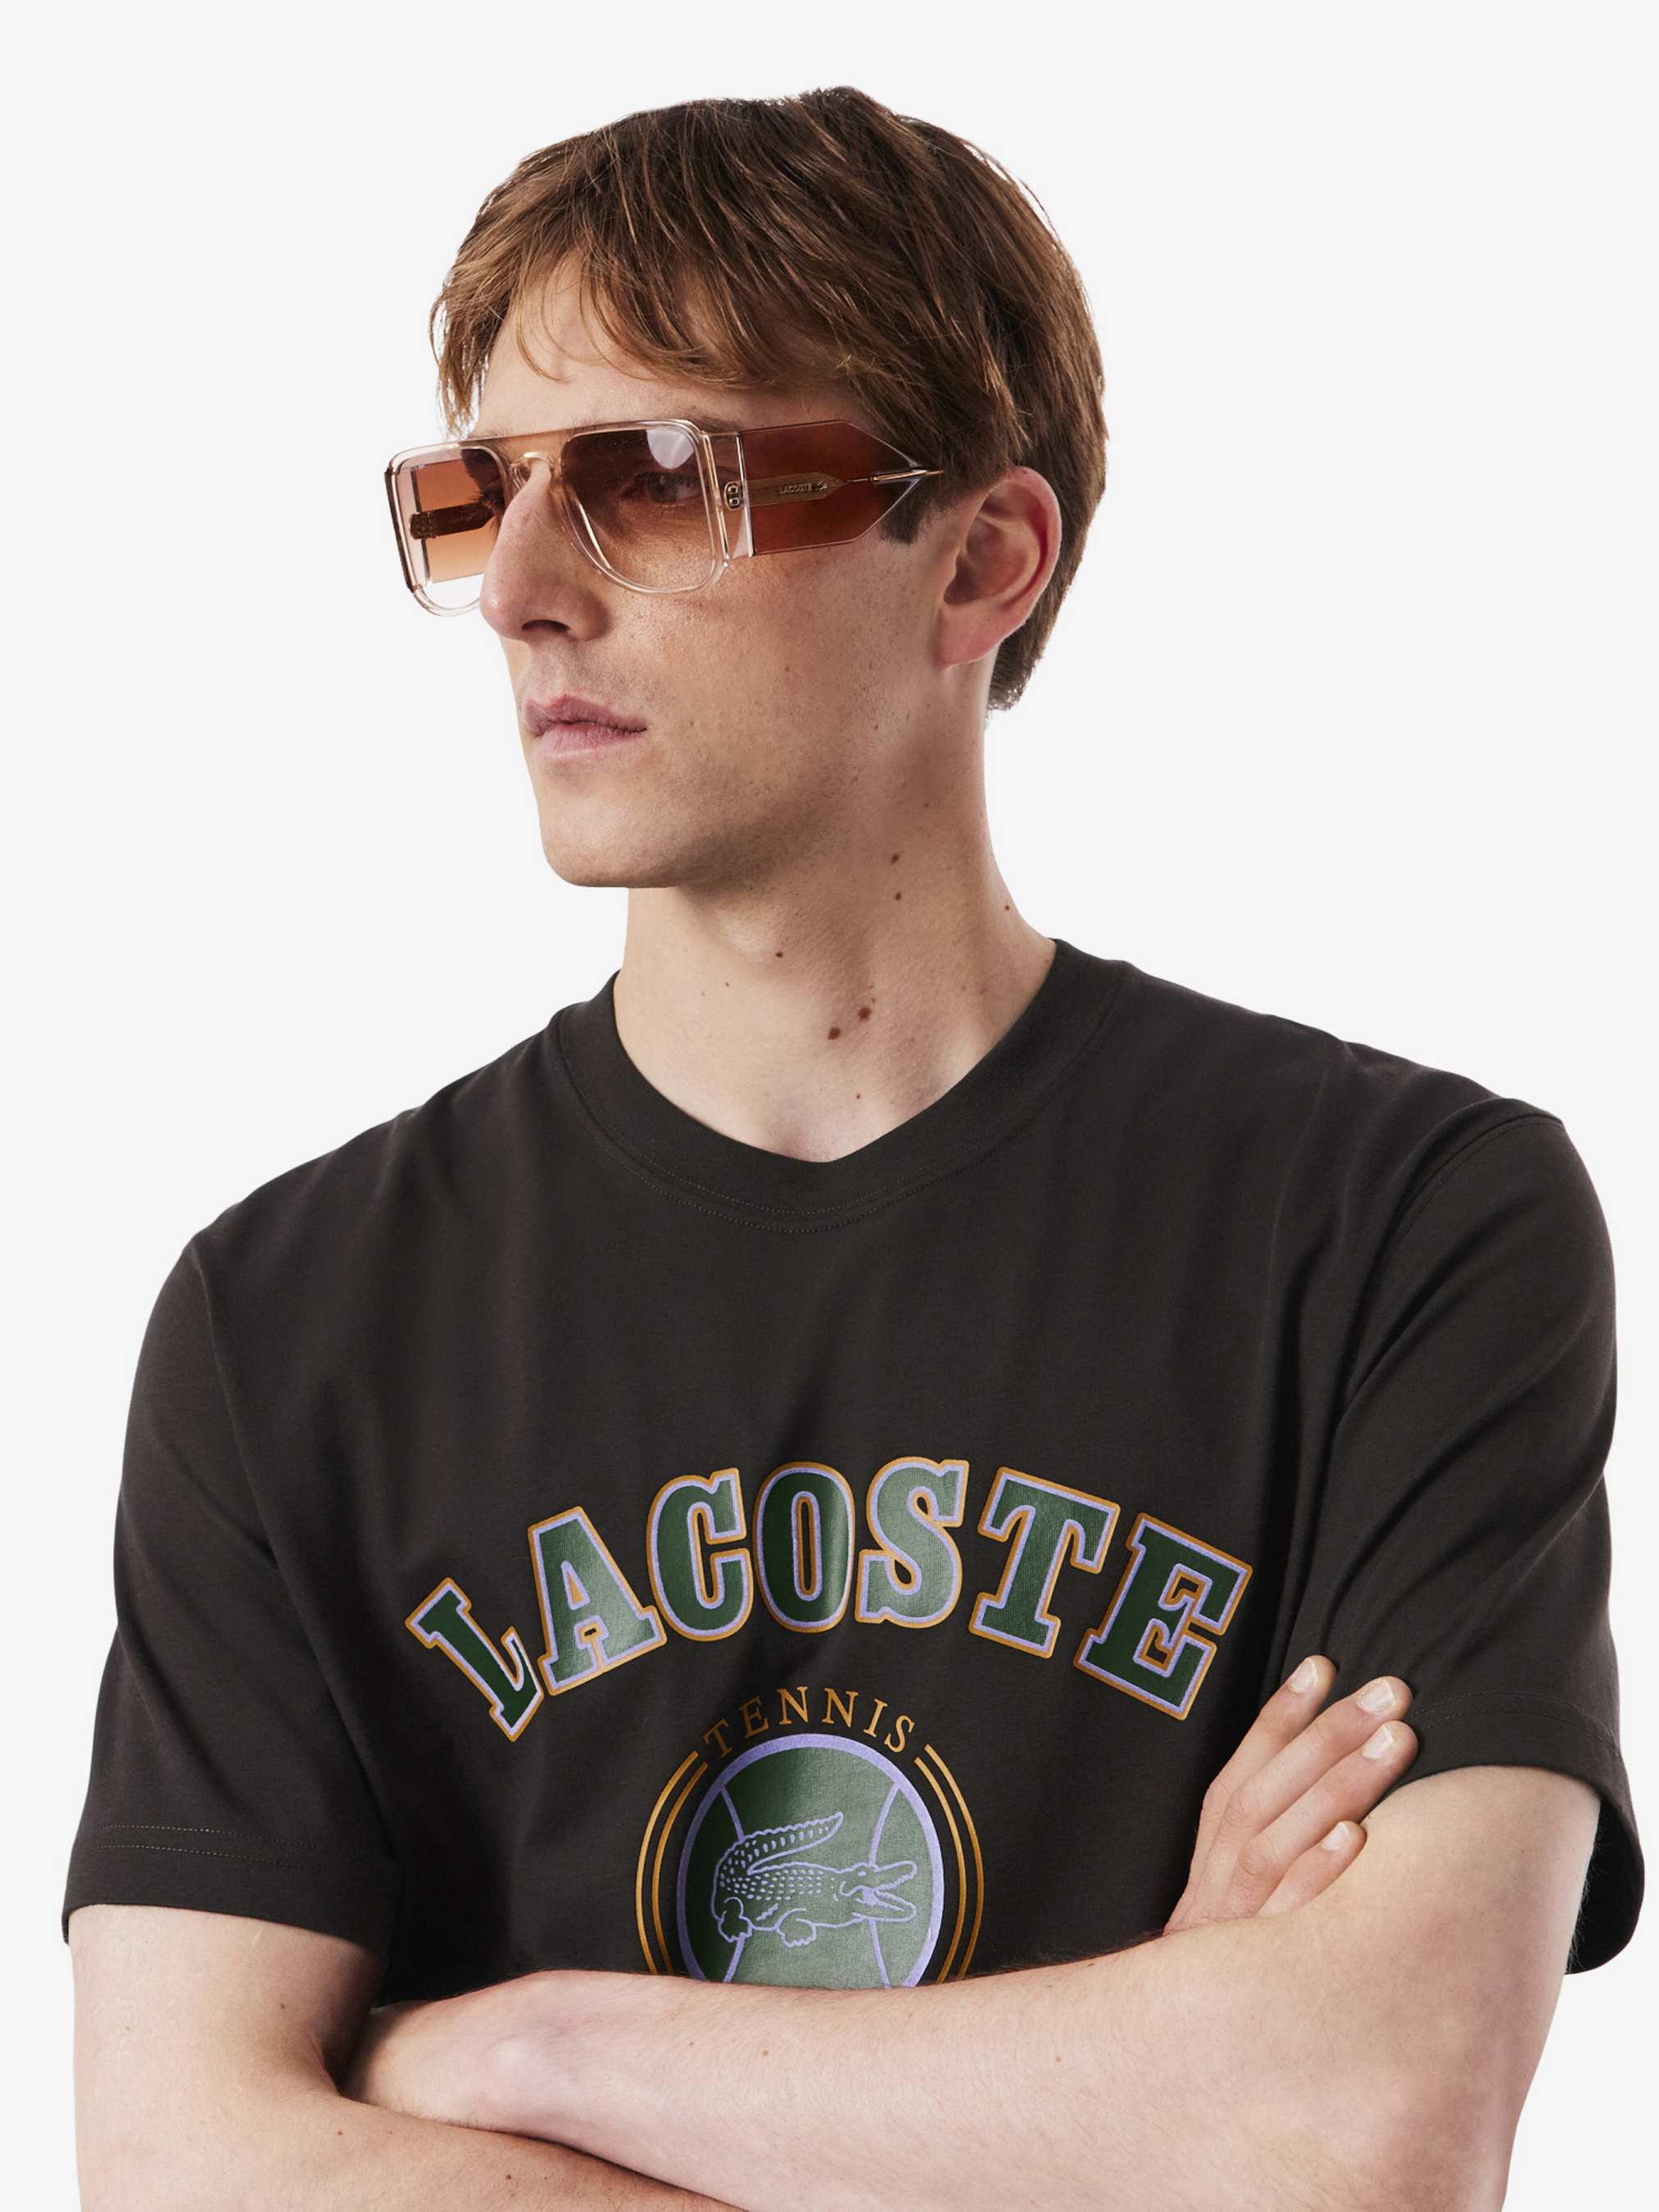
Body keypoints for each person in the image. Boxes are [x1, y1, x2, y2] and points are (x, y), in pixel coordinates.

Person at [66, 85, 1639, 2212]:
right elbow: (183, 2162)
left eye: (653, 477)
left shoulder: (1402, 1226)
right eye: (476, 493)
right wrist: (1141, 2060)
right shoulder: (287, 1320)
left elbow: (1365, 2124)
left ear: (978, 559)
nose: (520, 588)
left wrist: (517, 2048)